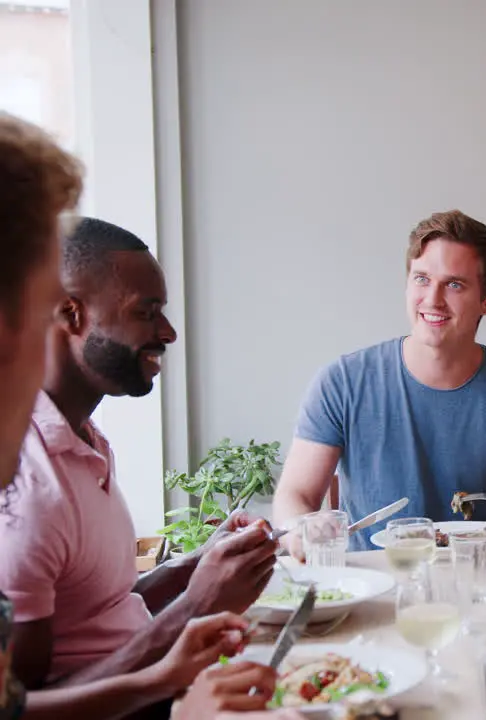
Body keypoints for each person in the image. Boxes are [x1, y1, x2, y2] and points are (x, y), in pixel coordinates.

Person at [0, 112, 291, 719]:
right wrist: (191, 614)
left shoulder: (86, 440)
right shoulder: (29, 490)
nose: (168, 331)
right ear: (69, 315)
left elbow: (101, 609)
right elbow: (29, 706)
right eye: (146, 310)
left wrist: (192, 571)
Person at [274, 209, 486, 555]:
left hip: (485, 582)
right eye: (422, 279)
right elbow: (296, 495)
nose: (432, 299)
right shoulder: (342, 383)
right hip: (375, 581)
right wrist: (301, 529)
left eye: (454, 284)